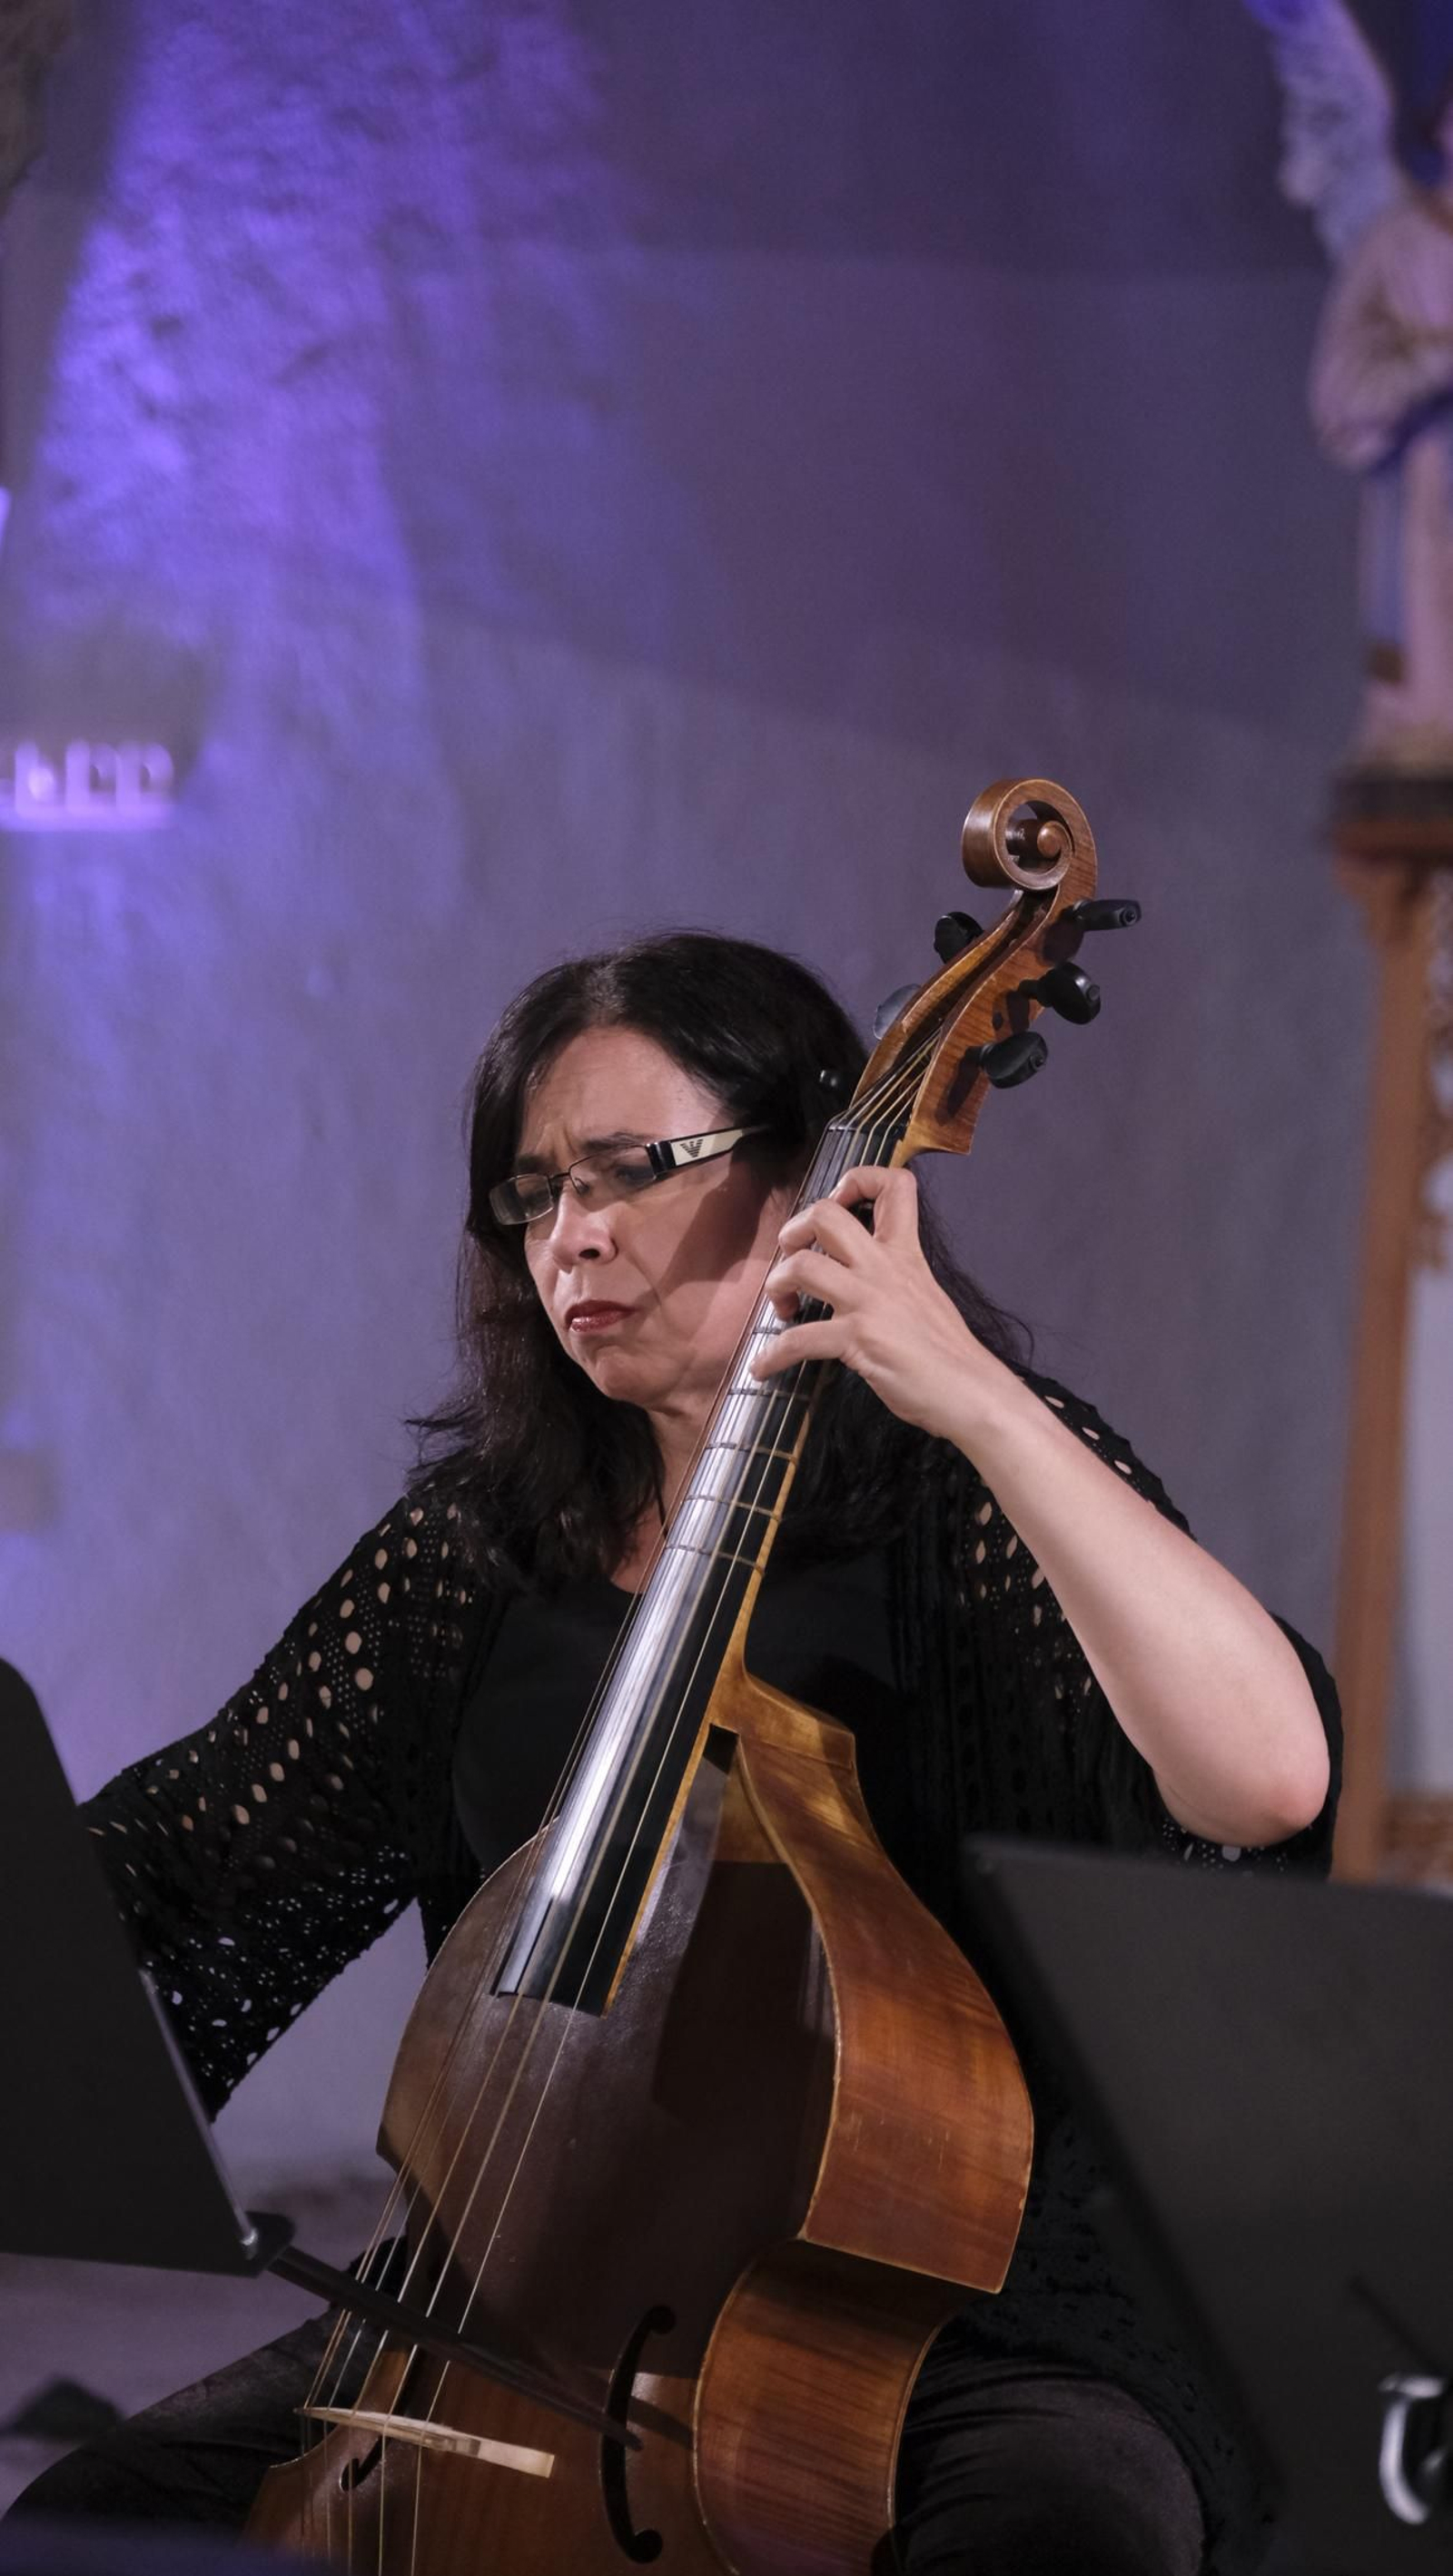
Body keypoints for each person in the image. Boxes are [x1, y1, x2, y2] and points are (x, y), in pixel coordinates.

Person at [9, 932, 1339, 2574]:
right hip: (516, 2304)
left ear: (807, 1170)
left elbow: (1267, 1781)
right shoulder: (481, 1551)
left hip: (954, 2313)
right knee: (92, 2519)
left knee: (1059, 2536)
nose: (572, 1233)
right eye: (533, 1192)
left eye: (633, 1170)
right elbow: (189, 1851)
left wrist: (986, 1403)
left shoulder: (964, 1502)